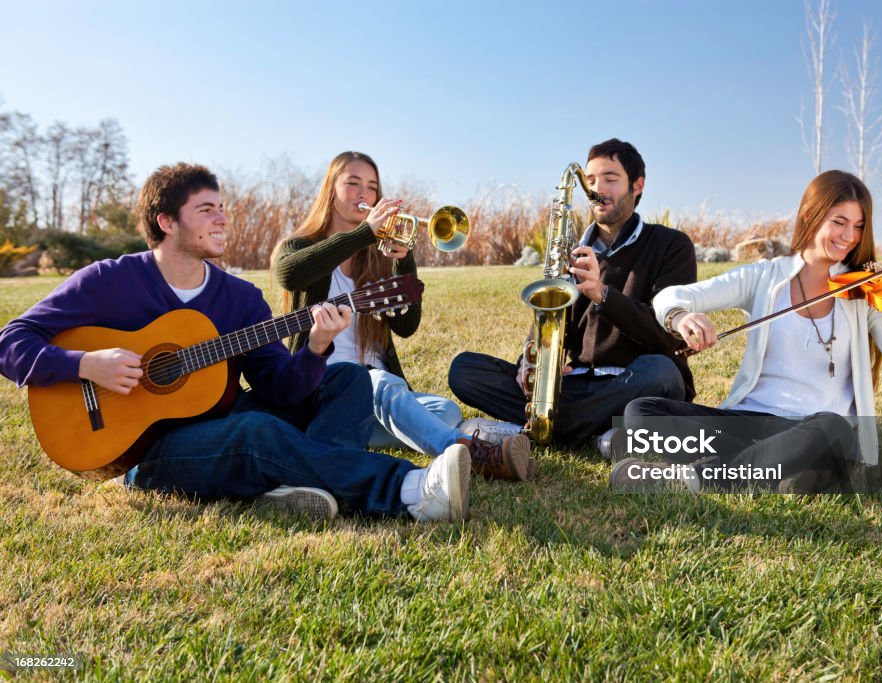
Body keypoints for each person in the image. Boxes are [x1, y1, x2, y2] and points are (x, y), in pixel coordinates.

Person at [0, 163, 471, 522]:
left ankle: (291, 487)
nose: (222, 219)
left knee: (349, 380)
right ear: (166, 221)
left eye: (222, 208)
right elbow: (12, 340)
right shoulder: (109, 280)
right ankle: (407, 490)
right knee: (255, 434)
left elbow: (280, 389)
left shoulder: (238, 297)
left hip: (222, 422)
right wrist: (85, 365)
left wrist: (315, 347)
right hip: (149, 453)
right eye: (207, 210)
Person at [614, 170, 882, 493]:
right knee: (640, 413)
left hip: (817, 432)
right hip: (747, 425)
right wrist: (681, 317)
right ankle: (781, 472)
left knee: (832, 428)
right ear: (810, 214)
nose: (849, 237)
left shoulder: (866, 291)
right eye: (839, 222)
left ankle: (698, 479)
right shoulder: (765, 278)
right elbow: (672, 296)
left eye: (858, 227)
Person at [272, 151, 533, 481]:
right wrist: (364, 233)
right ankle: (472, 452)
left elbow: (406, 327)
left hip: (375, 395)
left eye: (371, 186)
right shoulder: (299, 246)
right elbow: (288, 274)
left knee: (446, 410)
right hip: (325, 387)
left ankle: (346, 434)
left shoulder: (377, 257)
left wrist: (403, 261)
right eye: (352, 184)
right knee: (379, 384)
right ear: (330, 190)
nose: (364, 194)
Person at [448, 139, 697, 450]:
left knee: (663, 372)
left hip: (635, 383)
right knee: (465, 369)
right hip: (577, 387)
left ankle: (540, 430)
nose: (596, 189)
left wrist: (602, 293)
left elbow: (667, 338)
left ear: (637, 185)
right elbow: (551, 327)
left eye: (610, 178)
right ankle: (596, 432)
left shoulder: (672, 245)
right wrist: (530, 360)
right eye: (590, 180)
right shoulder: (572, 253)